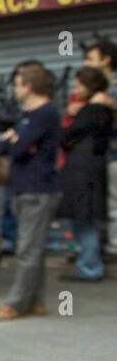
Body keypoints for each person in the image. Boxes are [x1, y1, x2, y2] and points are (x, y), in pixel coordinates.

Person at [0, 63, 63, 321]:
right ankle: (35, 301)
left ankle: (16, 303)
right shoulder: (27, 115)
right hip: (24, 187)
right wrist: (14, 142)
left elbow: (18, 149)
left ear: (28, 86)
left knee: (28, 249)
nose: (15, 90)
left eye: (17, 85)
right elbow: (4, 146)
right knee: (33, 249)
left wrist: (16, 142)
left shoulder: (44, 113)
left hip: (37, 188)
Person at [57, 66, 114, 283]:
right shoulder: (99, 109)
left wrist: (74, 114)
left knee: (83, 220)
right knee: (83, 219)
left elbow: (67, 135)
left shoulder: (94, 109)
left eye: (78, 85)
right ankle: (89, 265)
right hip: (87, 169)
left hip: (83, 171)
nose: (75, 89)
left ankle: (90, 268)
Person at [80, 36, 116, 257]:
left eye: (91, 59)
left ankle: (114, 247)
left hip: (113, 153)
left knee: (114, 203)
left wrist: (110, 104)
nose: (86, 63)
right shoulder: (97, 91)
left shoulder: (111, 90)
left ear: (106, 61)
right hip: (102, 154)